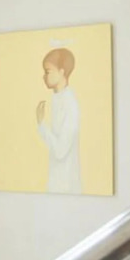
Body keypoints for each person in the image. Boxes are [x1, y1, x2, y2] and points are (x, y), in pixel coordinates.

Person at [36, 47, 82, 194]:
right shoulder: (57, 98)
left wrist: (42, 125)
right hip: (56, 184)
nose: (44, 76)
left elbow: (60, 150)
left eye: (48, 71)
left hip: (66, 186)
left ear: (62, 72)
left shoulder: (70, 103)